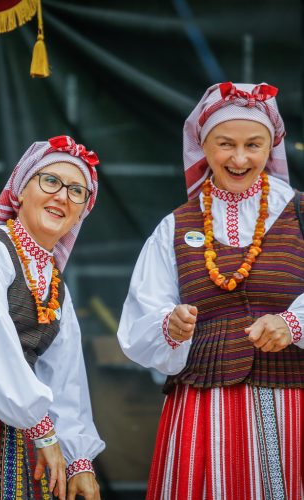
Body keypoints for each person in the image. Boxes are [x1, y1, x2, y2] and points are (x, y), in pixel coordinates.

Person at [117, 82, 304, 499]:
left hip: (294, 405)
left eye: (253, 145)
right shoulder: (177, 225)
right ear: (203, 146)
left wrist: (294, 322)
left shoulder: (300, 214)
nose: (239, 158)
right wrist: (172, 325)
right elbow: (140, 319)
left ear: (271, 146)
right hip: (203, 409)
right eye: (225, 144)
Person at [0, 135, 105, 499]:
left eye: (77, 191)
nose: (62, 196)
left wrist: (79, 460)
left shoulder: (54, 281)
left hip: (28, 434)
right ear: (19, 191)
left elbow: (65, 376)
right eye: (50, 181)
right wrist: (41, 429)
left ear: (82, 211)